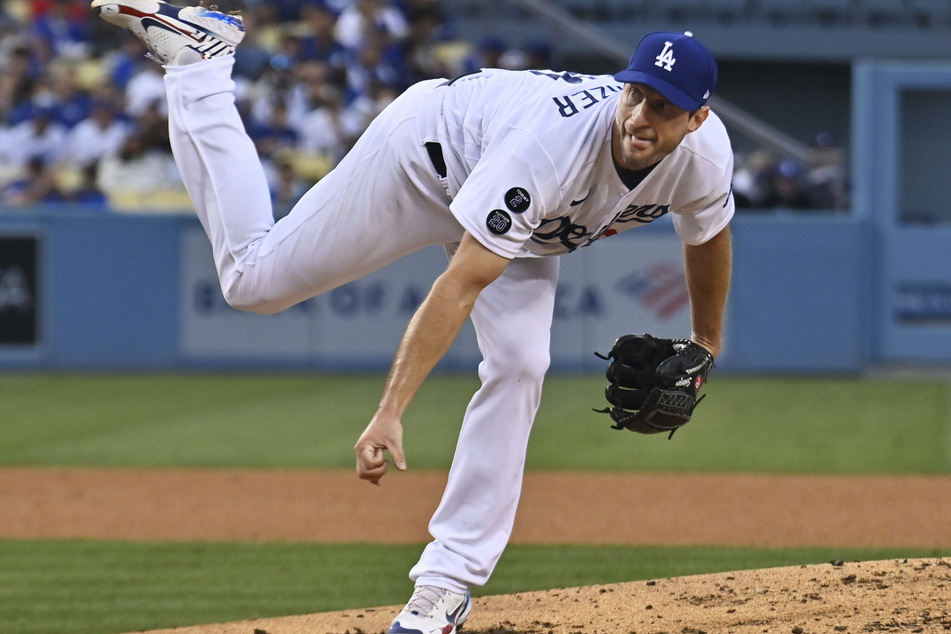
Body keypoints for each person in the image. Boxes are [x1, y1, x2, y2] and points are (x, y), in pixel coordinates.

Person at [91, 2, 734, 633]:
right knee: (251, 283)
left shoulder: (705, 159)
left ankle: (445, 585)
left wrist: (706, 344)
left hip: (524, 226)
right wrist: (391, 410)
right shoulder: (555, 145)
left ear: (698, 118)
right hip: (426, 160)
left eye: (664, 107)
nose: (640, 116)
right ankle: (201, 65)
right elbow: (459, 286)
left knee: (520, 363)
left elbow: (707, 234)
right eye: (635, 94)